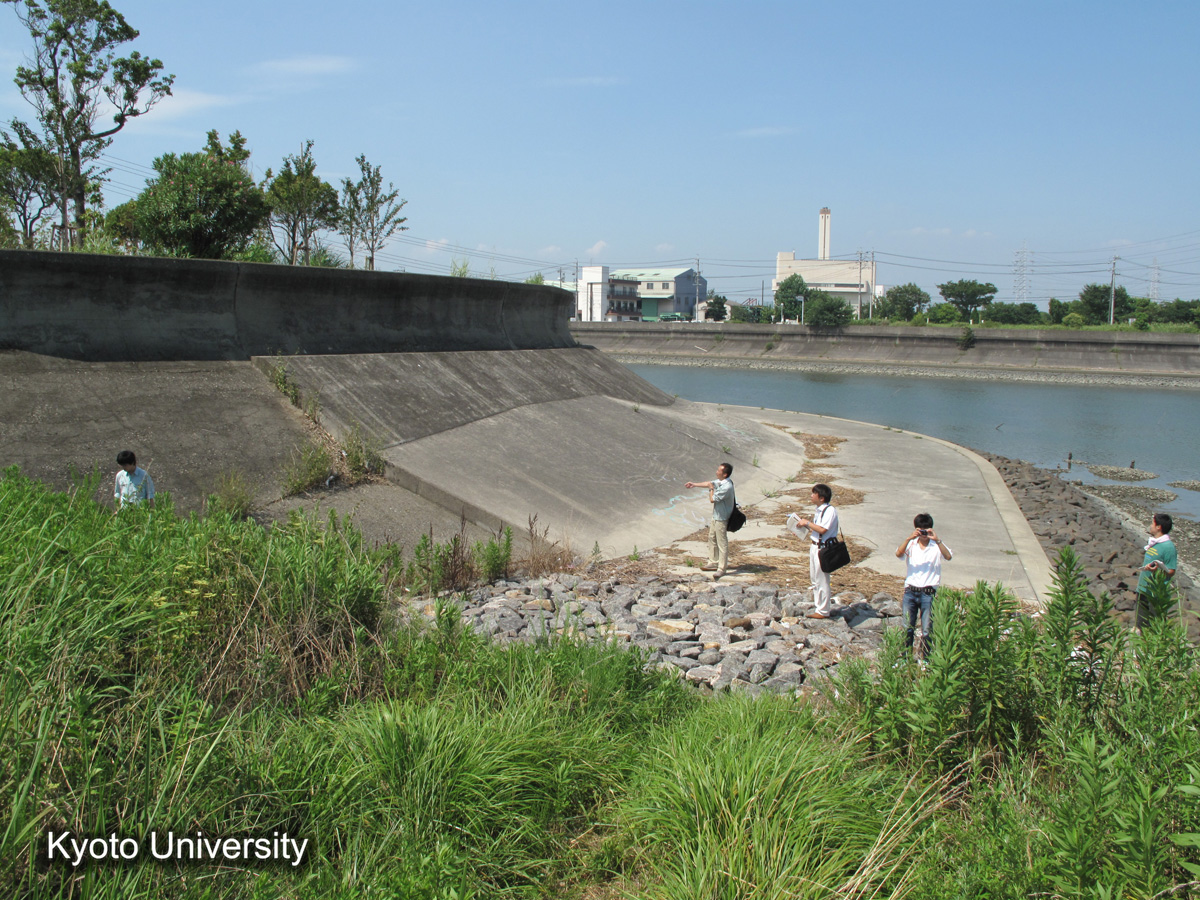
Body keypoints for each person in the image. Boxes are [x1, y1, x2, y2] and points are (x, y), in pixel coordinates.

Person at [896, 513, 953, 658]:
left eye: (926, 530)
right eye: (921, 530)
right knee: (907, 627)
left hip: (928, 593)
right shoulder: (911, 545)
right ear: (916, 529)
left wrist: (938, 540)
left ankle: (926, 659)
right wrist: (909, 537)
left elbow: (948, 556)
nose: (923, 533)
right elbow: (898, 554)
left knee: (927, 629)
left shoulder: (936, 546)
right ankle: (905, 659)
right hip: (911, 591)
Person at [791, 483, 839, 619]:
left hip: (823, 548)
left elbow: (823, 529)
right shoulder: (819, 510)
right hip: (815, 546)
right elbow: (818, 529)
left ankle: (823, 611)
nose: (811, 496)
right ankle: (819, 607)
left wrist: (806, 523)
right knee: (815, 579)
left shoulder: (829, 511)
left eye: (814, 493)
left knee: (822, 579)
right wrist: (802, 529)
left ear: (822, 497)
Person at [685, 462, 736, 578]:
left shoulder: (727, 487)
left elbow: (712, 499)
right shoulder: (722, 482)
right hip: (716, 516)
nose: (716, 472)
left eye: (719, 471)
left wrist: (710, 490)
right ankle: (713, 561)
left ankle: (722, 568)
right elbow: (710, 483)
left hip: (722, 518)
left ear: (725, 474)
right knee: (712, 537)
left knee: (722, 542)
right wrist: (694, 484)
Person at [1135, 513, 1177, 629]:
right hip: (1143, 588)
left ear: (1158, 527)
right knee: (1140, 625)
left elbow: (1172, 571)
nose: (1150, 526)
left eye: (1152, 523)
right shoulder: (1154, 543)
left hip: (1155, 592)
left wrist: (1157, 569)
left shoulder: (1168, 547)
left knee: (1154, 626)